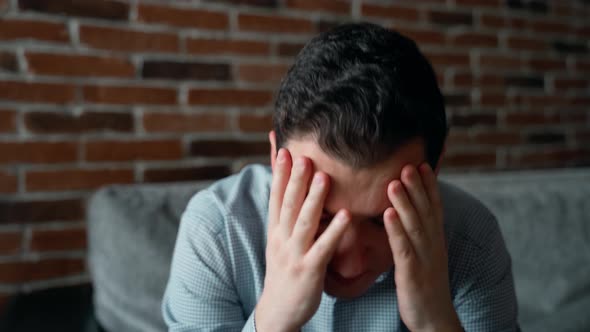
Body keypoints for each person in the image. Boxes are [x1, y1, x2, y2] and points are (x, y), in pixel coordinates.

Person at [161, 23, 519, 331]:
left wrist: (436, 323)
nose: (351, 264)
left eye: (382, 221)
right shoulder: (216, 231)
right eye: (321, 215)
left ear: (435, 168)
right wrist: (272, 321)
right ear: (275, 159)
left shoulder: (473, 241)